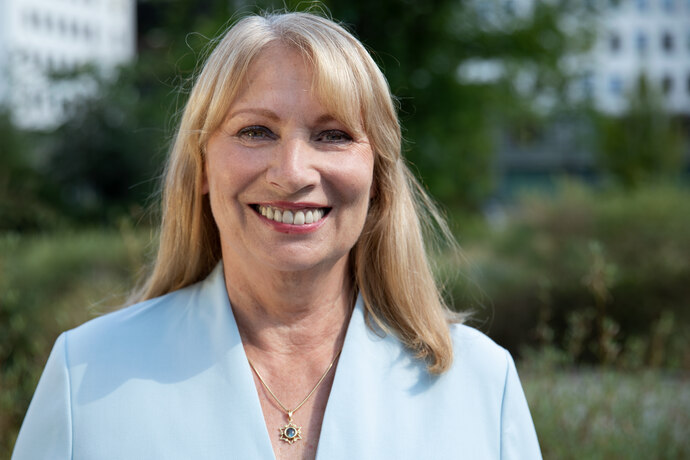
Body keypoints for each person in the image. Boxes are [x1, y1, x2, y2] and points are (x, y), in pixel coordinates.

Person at [12, 11, 541, 460]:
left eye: (333, 135)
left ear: (378, 175)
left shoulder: (481, 383)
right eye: (255, 131)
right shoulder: (85, 375)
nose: (291, 172)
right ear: (200, 166)